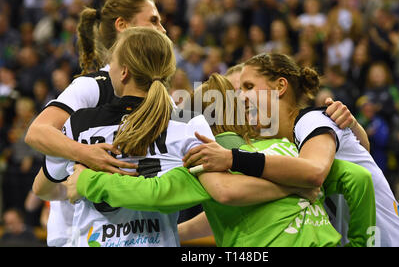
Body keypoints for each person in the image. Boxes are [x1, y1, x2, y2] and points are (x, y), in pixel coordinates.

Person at [66, 73, 376, 247]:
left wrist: (88, 180)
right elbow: (359, 179)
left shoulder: (206, 156)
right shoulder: (289, 150)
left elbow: (155, 193)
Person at [183, 53, 399, 247]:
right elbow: (244, 200)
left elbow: (314, 173)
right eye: (236, 92)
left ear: (280, 87)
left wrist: (231, 158)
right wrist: (176, 233)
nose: (240, 100)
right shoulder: (284, 145)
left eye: (248, 87)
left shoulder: (311, 121)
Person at [26, 0, 167, 247]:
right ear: (123, 26)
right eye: (154, 20)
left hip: (139, 231)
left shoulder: (160, 97)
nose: (163, 29)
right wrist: (83, 154)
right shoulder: (94, 86)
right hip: (79, 233)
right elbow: (37, 132)